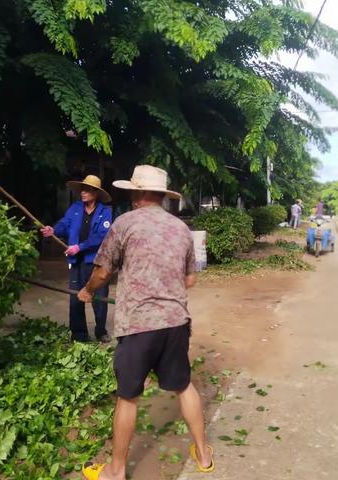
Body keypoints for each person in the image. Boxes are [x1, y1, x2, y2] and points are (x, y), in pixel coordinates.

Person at [78, 165, 214, 480]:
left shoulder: (124, 224)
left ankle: (116, 471)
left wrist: (87, 291)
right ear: (162, 196)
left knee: (127, 397)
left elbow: (102, 272)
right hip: (176, 323)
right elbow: (190, 279)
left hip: (139, 325)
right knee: (184, 386)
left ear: (137, 194)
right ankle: (204, 456)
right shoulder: (180, 228)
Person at [40, 175, 112, 343]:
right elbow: (64, 224)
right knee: (75, 297)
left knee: (99, 297)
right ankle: (79, 334)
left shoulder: (105, 212)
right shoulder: (75, 208)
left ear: (96, 193)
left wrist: (79, 247)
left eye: (87, 190)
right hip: (77, 262)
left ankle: (101, 331)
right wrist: (54, 230)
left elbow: (102, 236)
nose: (83, 193)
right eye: (82, 190)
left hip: (96, 263)